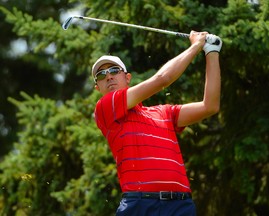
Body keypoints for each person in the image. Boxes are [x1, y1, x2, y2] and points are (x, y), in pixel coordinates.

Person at [92, 30, 222, 216]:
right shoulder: (105, 108)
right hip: (139, 205)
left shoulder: (163, 113)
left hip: (180, 205)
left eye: (114, 71)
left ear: (127, 78)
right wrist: (195, 46)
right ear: (98, 87)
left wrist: (212, 51)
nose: (108, 76)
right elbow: (163, 79)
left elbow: (210, 106)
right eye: (101, 75)